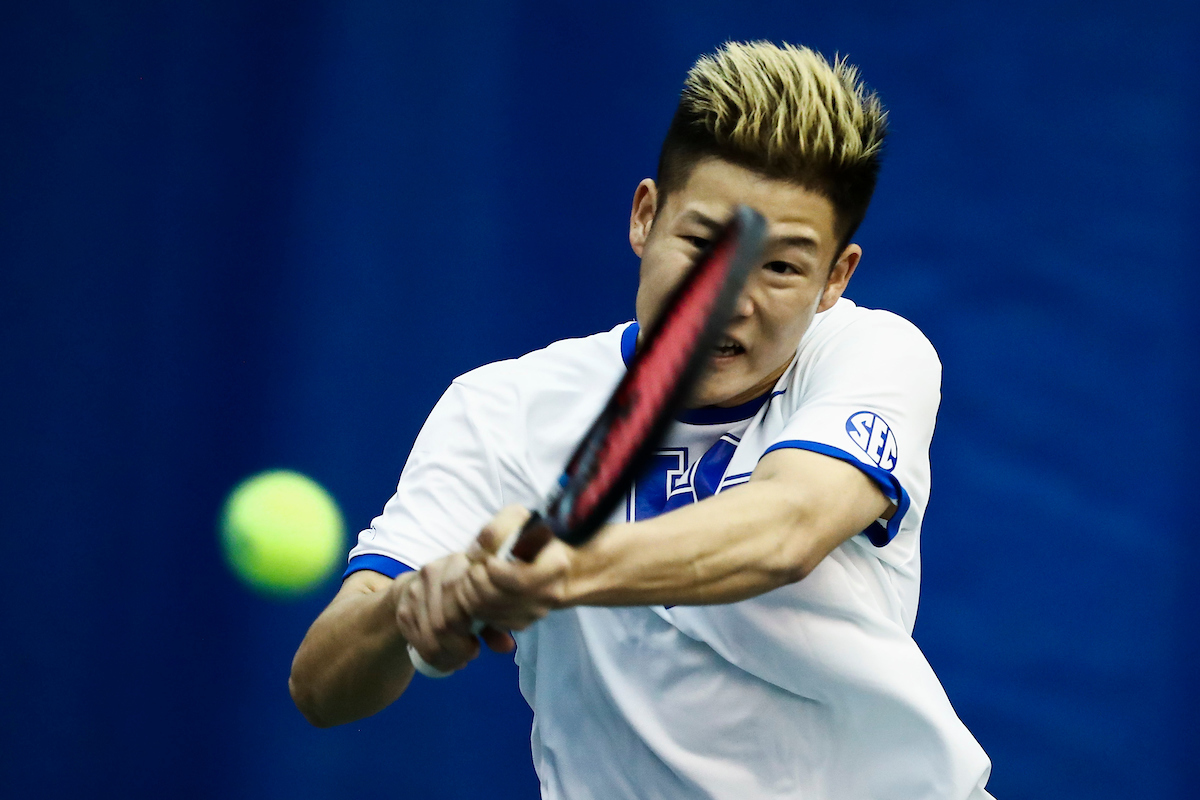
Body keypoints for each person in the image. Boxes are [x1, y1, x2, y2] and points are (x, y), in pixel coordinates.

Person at [289, 40, 994, 799]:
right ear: (646, 217)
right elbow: (322, 688)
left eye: (782, 266)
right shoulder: (505, 409)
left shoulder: (875, 354)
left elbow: (787, 528)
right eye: (702, 243)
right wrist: (411, 605)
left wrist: (559, 568)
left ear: (836, 278)